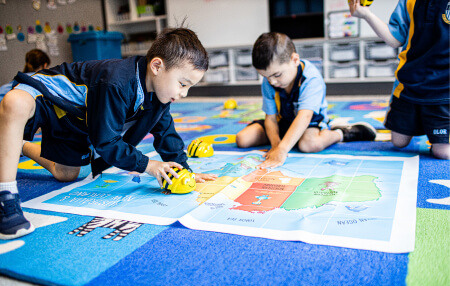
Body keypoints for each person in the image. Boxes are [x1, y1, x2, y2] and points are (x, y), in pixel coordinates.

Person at [0, 27, 217, 240]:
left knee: (66, 174)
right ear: (157, 66)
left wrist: (184, 170)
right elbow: (105, 141)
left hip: (77, 118)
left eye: (189, 88)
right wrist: (149, 166)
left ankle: (17, 146)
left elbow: (166, 133)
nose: (184, 94)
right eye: (182, 84)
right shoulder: (117, 81)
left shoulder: (159, 97)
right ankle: (6, 197)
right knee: (15, 102)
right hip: (49, 94)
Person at [236, 32, 377, 169]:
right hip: (283, 120)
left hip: (309, 121)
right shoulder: (270, 81)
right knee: (243, 139)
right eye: (266, 77)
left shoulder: (310, 78)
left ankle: (342, 132)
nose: (272, 81)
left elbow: (305, 116)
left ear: (295, 60)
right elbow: (271, 118)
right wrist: (276, 145)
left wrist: (283, 149)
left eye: (277, 75)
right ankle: (290, 139)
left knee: (309, 145)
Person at [348, 0, 449, 159]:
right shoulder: (408, 1)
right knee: (398, 142)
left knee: (443, 153)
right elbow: (395, 39)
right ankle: (427, 125)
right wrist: (366, 15)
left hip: (444, 90)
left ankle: (436, 132)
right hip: (409, 84)